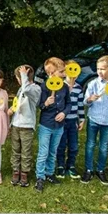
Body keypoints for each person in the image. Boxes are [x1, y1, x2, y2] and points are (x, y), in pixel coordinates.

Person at [81, 55, 108, 185]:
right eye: (98, 69)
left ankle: (100, 170)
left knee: (104, 147)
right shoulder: (93, 83)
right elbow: (85, 101)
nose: (100, 72)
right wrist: (89, 99)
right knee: (90, 145)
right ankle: (88, 169)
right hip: (93, 119)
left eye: (103, 69)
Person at [35, 57, 72, 192]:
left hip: (59, 126)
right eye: (61, 72)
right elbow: (39, 106)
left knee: (53, 151)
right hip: (46, 124)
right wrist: (46, 103)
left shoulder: (64, 87)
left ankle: (49, 173)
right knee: (43, 152)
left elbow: (69, 103)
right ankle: (40, 176)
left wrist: (64, 113)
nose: (63, 74)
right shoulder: (44, 87)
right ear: (51, 73)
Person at [9, 65, 42, 187]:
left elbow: (27, 89)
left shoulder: (35, 89)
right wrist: (11, 113)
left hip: (27, 126)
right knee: (15, 150)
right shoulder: (20, 89)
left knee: (26, 151)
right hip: (16, 124)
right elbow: (18, 103)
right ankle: (16, 171)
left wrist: (23, 75)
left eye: (19, 78)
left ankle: (24, 173)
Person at [56, 62, 86, 179]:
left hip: (73, 121)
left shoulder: (78, 88)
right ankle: (60, 166)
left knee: (73, 146)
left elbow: (80, 105)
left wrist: (82, 119)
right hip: (62, 121)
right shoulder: (60, 85)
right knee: (61, 145)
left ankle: (71, 165)